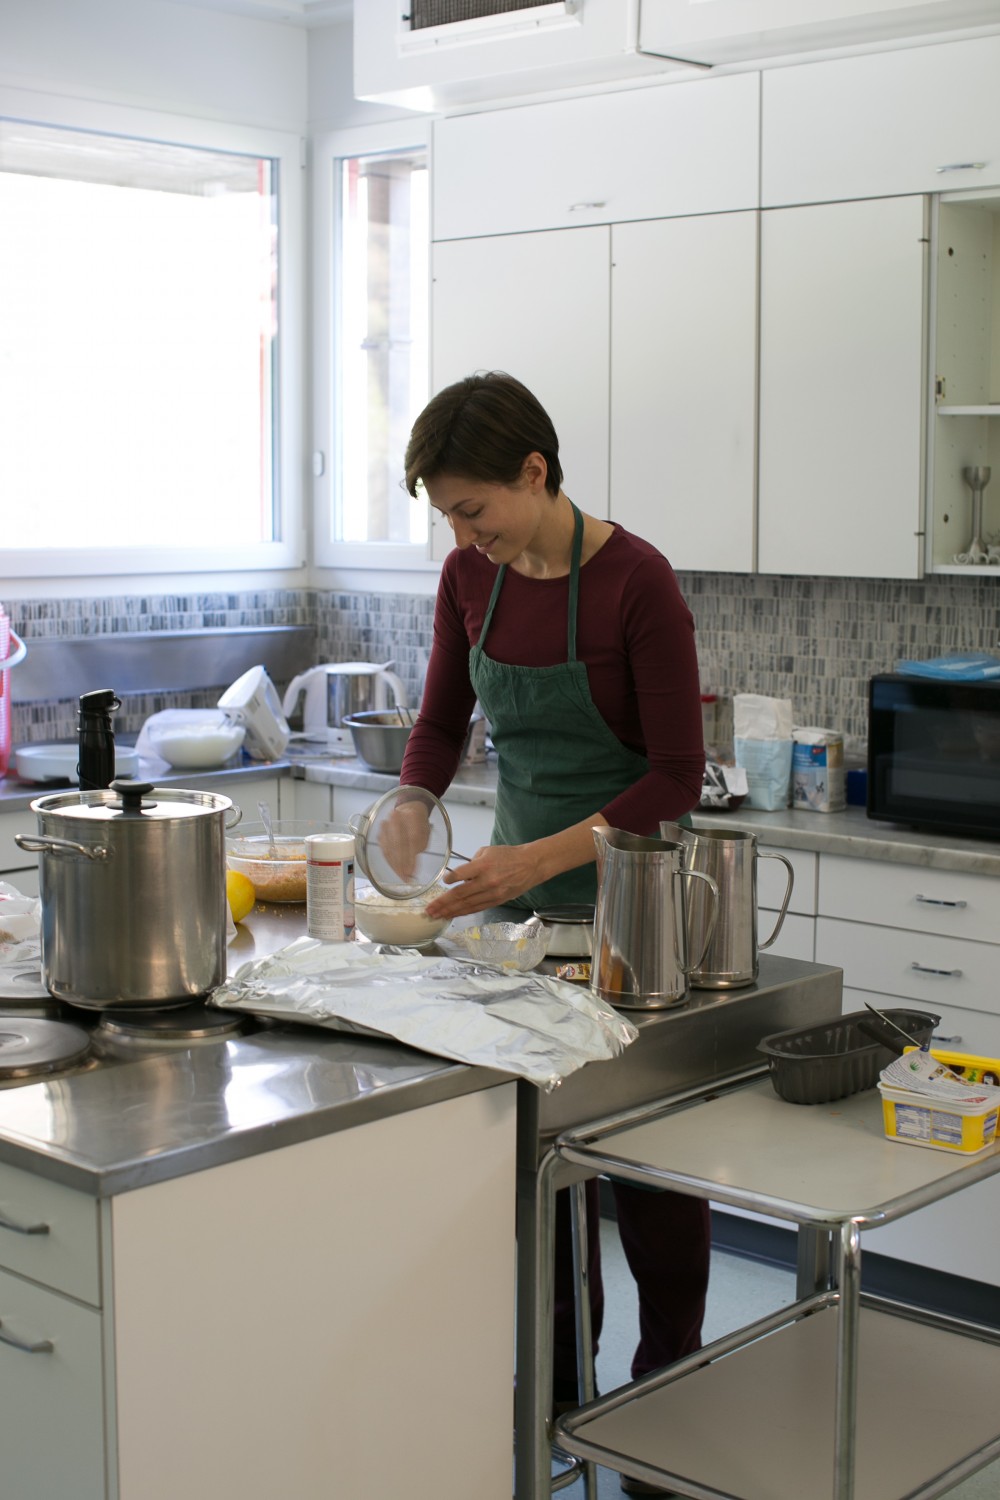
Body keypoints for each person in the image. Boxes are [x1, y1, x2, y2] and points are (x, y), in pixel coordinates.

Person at [397, 371, 709, 1498]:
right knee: (538, 1169)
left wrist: (538, 858)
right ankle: (562, 1402)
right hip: (515, 919)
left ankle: (665, 1408)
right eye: (447, 516)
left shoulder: (637, 581)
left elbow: (676, 777)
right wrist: (411, 800)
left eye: (472, 509)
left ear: (535, 471)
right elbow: (441, 724)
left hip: (632, 915)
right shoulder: (467, 578)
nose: (462, 535)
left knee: (651, 1176)